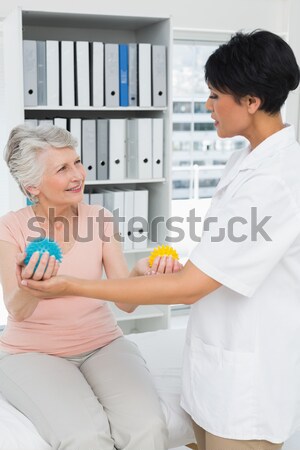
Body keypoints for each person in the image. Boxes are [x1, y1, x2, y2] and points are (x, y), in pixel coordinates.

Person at [21, 30, 300, 450]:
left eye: (214, 95)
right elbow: (218, 261)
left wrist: (71, 286)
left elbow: (189, 289)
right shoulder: (243, 159)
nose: (207, 107)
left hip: (249, 381)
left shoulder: (276, 182)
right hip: (215, 365)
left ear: (251, 102)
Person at [0, 124, 182, 450]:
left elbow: (125, 301)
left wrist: (141, 273)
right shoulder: (11, 227)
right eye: (62, 168)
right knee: (85, 438)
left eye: (77, 162)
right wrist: (33, 284)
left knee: (150, 428)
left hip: (103, 344)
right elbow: (16, 308)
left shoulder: (99, 218)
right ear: (32, 186)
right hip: (32, 352)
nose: (78, 175)